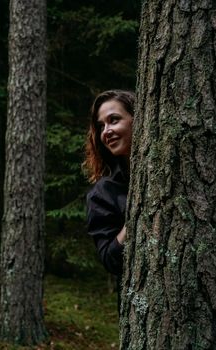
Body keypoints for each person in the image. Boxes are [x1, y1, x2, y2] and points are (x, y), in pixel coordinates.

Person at [82, 89, 135, 307]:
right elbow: (110, 259)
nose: (107, 131)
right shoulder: (104, 192)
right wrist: (136, 219)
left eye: (114, 120)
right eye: (101, 126)